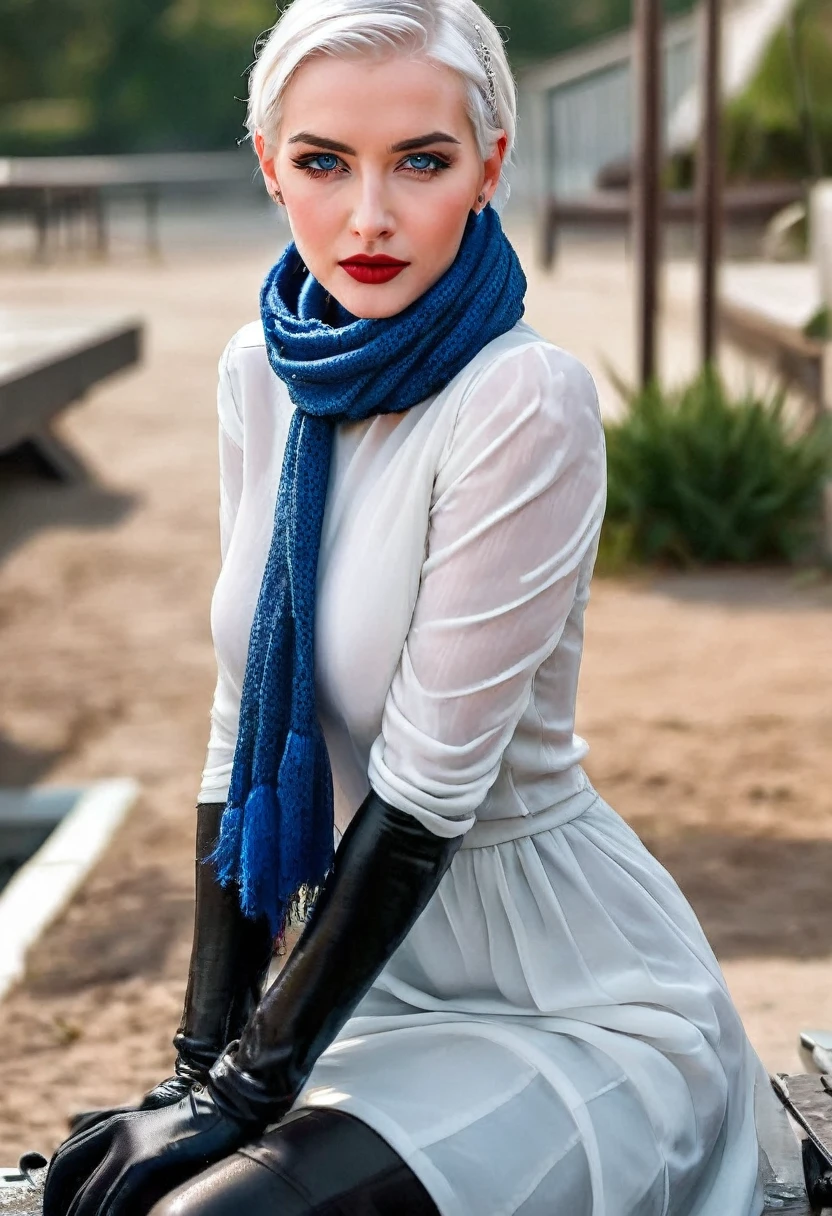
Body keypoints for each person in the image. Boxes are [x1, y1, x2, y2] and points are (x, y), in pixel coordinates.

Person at [42, 0, 772, 1212]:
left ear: (489, 166)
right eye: (324, 162)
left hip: (565, 998)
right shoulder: (259, 373)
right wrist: (195, 1068)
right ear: (272, 168)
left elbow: (430, 789)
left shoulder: (521, 402)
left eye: (419, 162)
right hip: (368, 984)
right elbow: (242, 721)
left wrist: (242, 1092)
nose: (368, 215)